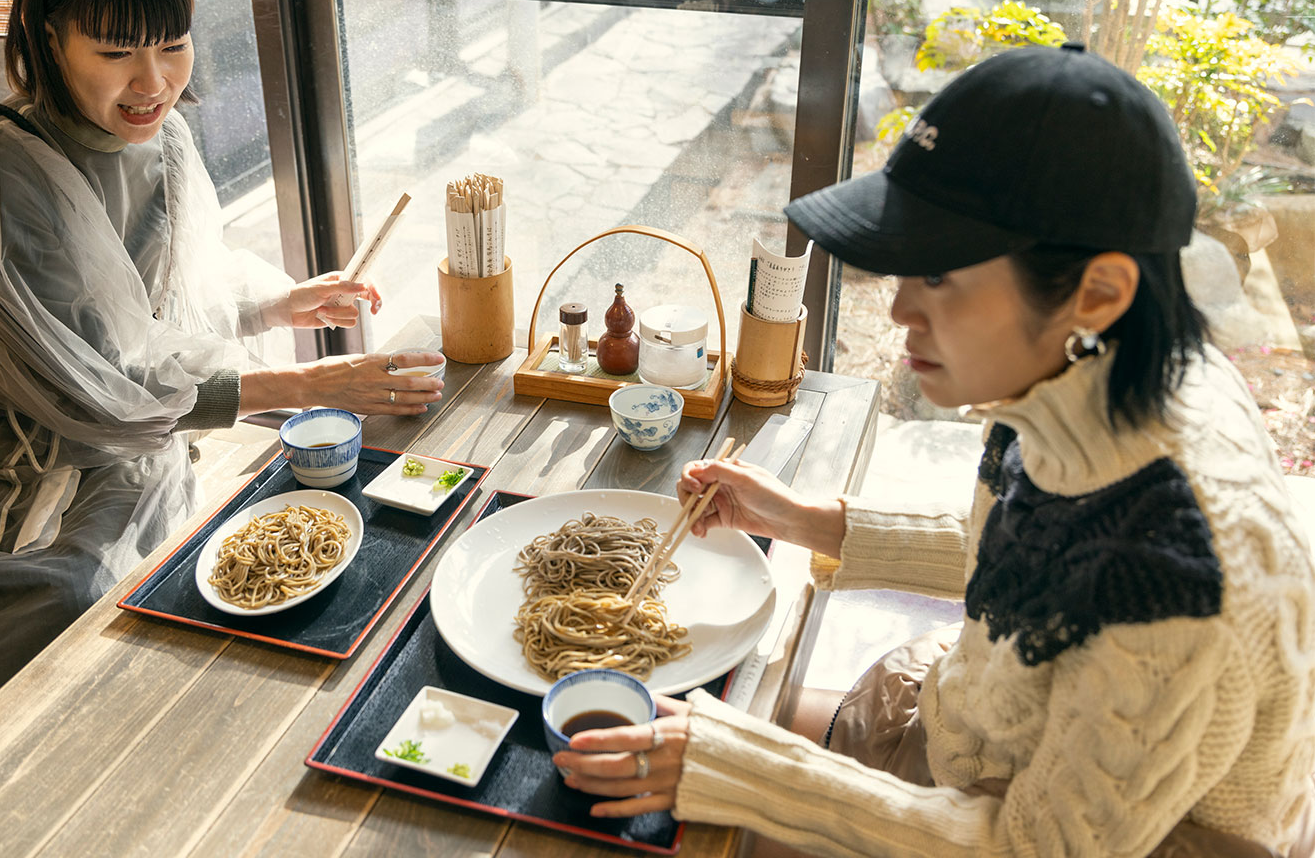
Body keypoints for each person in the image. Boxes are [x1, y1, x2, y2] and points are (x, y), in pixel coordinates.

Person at [552, 44, 1315, 857]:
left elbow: (1037, 848)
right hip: (975, 732)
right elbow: (1030, 559)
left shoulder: (1184, 575)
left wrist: (753, 772)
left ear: (1096, 292)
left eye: (940, 276)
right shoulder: (1085, 370)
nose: (901, 310)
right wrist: (804, 517)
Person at [0, 0, 443, 727]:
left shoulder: (160, 138)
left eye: (173, 45)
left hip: (128, 446)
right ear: (47, 33)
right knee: (71, 613)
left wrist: (284, 301)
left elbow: (172, 299)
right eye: (114, 51)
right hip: (7, 468)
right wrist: (312, 382)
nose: (154, 83)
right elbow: (95, 384)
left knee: (214, 592)